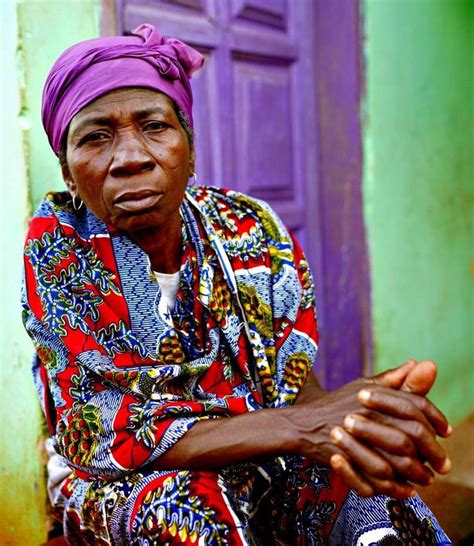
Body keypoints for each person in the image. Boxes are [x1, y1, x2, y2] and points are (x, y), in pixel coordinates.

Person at [22, 24, 452, 545]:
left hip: (259, 440)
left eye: (155, 127)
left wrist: (355, 419)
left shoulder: (249, 228)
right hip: (114, 476)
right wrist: (303, 427)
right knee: (187, 513)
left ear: (190, 148)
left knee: (364, 481)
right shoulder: (59, 252)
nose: (131, 156)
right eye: (95, 136)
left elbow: (296, 392)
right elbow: (112, 437)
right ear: (68, 173)